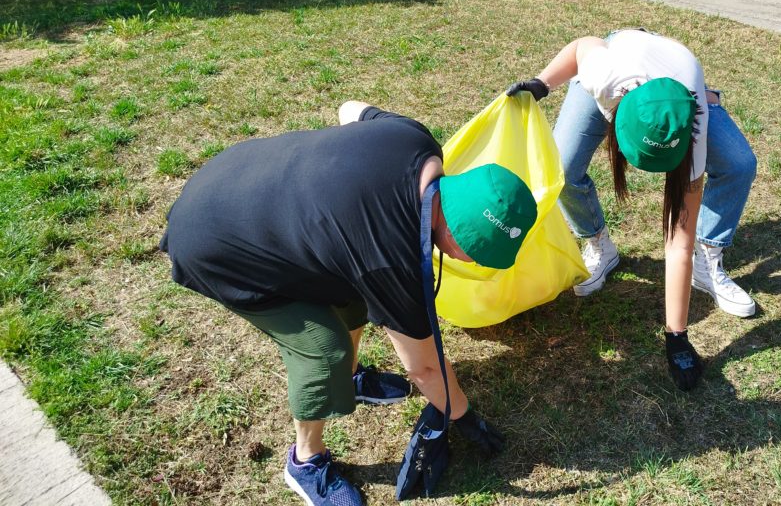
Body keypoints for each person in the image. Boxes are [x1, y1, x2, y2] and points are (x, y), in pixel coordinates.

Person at [161, 101, 537, 506]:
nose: (474, 263)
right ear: (454, 236)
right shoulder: (389, 257)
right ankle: (305, 462)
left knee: (351, 293)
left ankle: (353, 379)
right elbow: (424, 368)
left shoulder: (416, 140)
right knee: (324, 350)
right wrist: (464, 417)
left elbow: (349, 109)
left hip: (235, 174)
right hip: (215, 243)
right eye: (475, 255)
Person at [507, 29, 757, 391]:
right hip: (621, 55)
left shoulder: (692, 127)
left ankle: (709, 261)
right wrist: (542, 84)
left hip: (680, 83)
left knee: (738, 161)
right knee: (561, 167)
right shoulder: (603, 76)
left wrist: (677, 336)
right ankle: (599, 245)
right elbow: (583, 45)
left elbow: (677, 244)